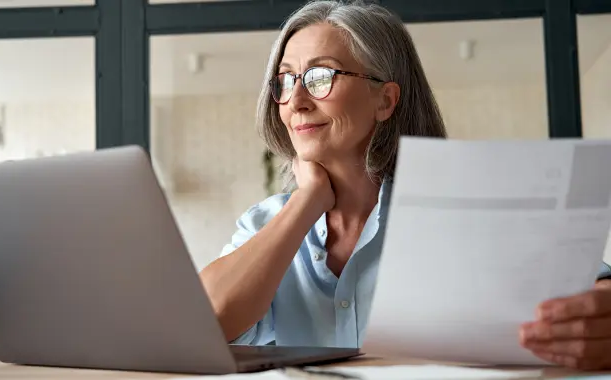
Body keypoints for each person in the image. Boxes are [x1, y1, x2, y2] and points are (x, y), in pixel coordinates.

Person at [199, 0, 611, 371]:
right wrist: (307, 201)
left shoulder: (461, 206)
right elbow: (206, 322)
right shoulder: (264, 224)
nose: (297, 100)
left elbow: (593, 285)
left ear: (385, 100)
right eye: (286, 81)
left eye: (321, 76)